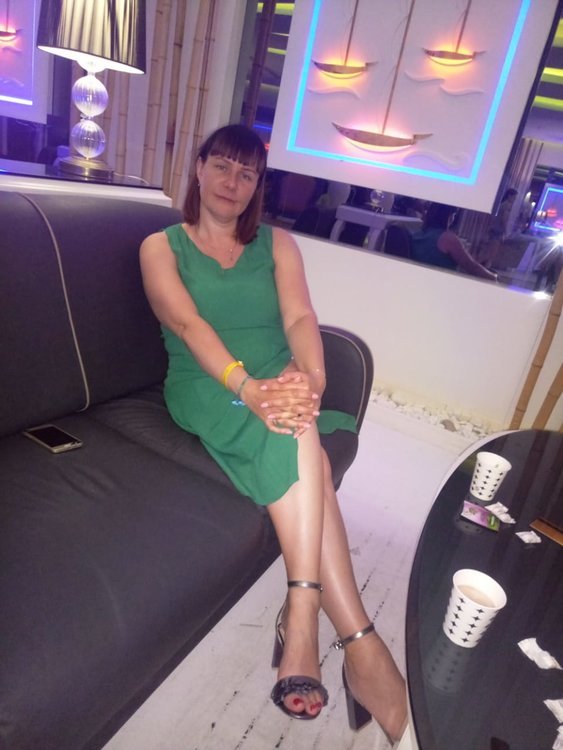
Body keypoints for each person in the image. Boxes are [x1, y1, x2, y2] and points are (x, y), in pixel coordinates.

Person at [140, 123, 407, 741]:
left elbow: (300, 315)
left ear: (257, 184)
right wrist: (250, 390)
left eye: (247, 173)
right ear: (199, 167)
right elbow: (187, 325)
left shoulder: (278, 244)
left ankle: (340, 638)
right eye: (222, 166)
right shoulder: (161, 246)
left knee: (299, 425)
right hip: (210, 384)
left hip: (277, 376)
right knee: (295, 430)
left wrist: (310, 379)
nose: (232, 182)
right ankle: (326, 627)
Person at [411, 202, 497, 280]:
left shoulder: (417, 234)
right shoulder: (448, 238)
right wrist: (494, 277)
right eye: (454, 215)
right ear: (449, 216)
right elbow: (471, 267)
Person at [481, 188, 518, 268]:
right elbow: (504, 219)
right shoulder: (507, 206)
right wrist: (505, 230)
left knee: (490, 248)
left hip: (495, 228)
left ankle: (485, 264)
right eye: (514, 197)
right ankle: (487, 265)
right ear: (509, 196)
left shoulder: (502, 204)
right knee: (494, 249)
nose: (514, 200)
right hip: (498, 229)